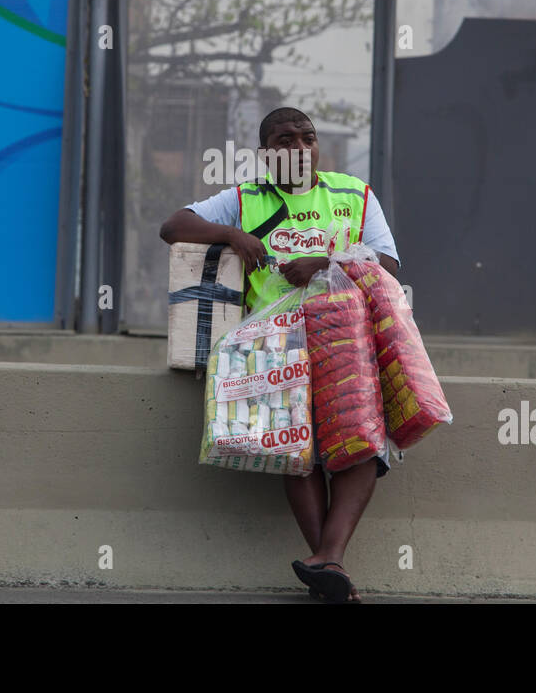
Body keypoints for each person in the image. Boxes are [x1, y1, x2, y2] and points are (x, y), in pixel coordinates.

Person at [159, 106, 402, 603]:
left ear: (318, 145)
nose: (298, 147)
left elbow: (390, 263)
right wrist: (231, 234)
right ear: (267, 153)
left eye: (306, 137)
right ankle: (329, 566)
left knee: (362, 445)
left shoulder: (354, 194)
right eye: (284, 139)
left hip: (346, 338)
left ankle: (328, 562)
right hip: (271, 347)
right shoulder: (244, 198)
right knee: (296, 452)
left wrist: (326, 261)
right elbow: (173, 225)